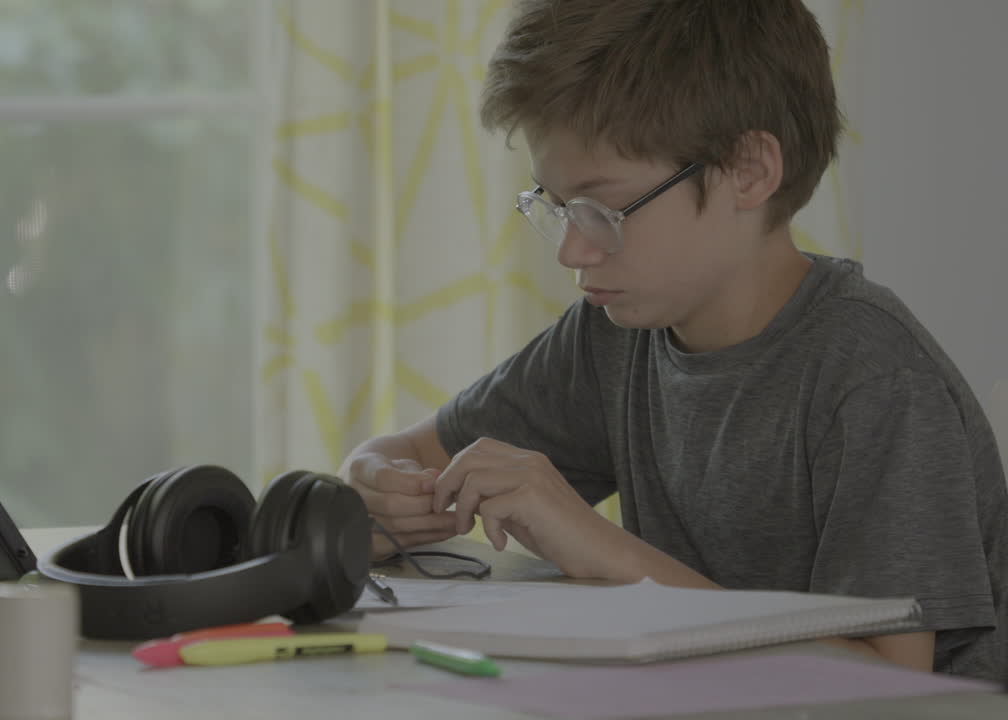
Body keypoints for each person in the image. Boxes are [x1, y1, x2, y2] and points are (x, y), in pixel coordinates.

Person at [339, 0, 1007, 681]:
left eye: (601, 210)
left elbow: (894, 683)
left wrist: (607, 553)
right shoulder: (615, 335)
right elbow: (408, 453)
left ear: (748, 171)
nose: (573, 250)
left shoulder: (875, 381)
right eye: (558, 206)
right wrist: (378, 486)